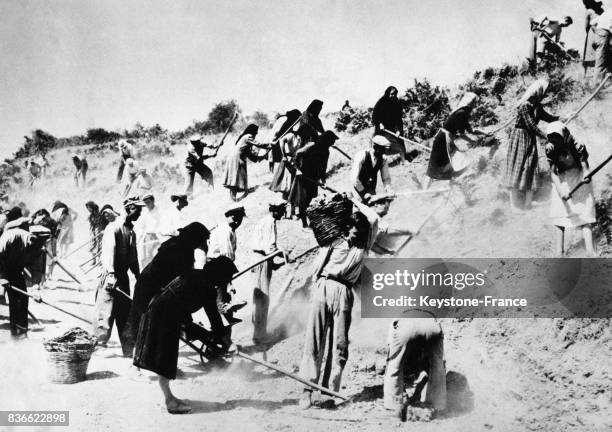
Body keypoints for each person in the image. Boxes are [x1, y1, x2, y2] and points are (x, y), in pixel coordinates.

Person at [298, 204, 384, 409]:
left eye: (361, 232)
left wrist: (355, 201)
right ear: (347, 228)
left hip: (345, 292)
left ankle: (332, 390)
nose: (358, 234)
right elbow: (317, 267)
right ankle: (307, 391)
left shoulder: (363, 248)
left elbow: (373, 220)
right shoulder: (334, 242)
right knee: (314, 339)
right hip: (324, 287)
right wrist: (316, 285)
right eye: (355, 230)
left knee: (340, 342)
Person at [133, 257, 237, 414]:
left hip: (161, 309)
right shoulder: (207, 287)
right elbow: (214, 319)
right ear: (220, 275)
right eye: (227, 278)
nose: (228, 282)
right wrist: (228, 343)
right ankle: (170, 401)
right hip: (163, 315)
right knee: (165, 359)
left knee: (166, 359)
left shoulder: (197, 275)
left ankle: (169, 398)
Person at [128, 222, 210, 346]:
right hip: (149, 289)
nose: (201, 244)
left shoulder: (181, 246)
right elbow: (176, 277)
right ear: (194, 238)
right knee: (149, 323)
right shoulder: (178, 249)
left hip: (155, 286)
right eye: (201, 241)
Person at [93, 197, 144, 355]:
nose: (140, 212)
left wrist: (138, 274)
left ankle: (128, 349)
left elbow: (133, 256)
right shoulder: (113, 228)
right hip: (110, 275)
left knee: (126, 313)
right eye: (138, 209)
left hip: (122, 277)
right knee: (106, 311)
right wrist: (111, 275)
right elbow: (108, 253)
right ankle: (100, 345)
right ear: (129, 209)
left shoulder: (131, 231)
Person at [504, 79, 558, 213]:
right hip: (520, 138)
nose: (544, 94)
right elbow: (531, 125)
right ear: (537, 92)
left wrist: (566, 116)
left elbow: (550, 118)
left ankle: (528, 204)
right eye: (543, 92)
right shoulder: (524, 105)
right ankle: (514, 206)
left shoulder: (537, 107)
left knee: (531, 166)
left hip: (530, 138)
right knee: (517, 167)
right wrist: (546, 137)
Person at [545, 122, 596, 256]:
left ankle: (590, 251)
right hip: (561, 180)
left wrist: (586, 176)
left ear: (564, 135)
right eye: (552, 138)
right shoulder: (550, 148)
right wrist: (561, 191)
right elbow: (553, 173)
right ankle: (559, 252)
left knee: (585, 214)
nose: (555, 141)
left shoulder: (578, 145)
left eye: (558, 137)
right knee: (560, 216)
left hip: (579, 177)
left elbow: (585, 167)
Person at [383, 317, 447, 415]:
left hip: (406, 325)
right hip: (432, 325)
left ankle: (393, 407)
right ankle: (438, 405)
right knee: (437, 365)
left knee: (394, 365)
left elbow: (389, 351)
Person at [425, 92, 486, 187]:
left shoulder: (463, 112)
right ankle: (451, 184)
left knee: (438, 165)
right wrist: (472, 141)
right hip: (444, 139)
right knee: (442, 164)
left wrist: (484, 133)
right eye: (474, 102)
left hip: (443, 138)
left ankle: (451, 184)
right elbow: (462, 134)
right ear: (469, 102)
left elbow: (471, 130)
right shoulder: (462, 113)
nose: (475, 105)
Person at [0, 225, 51, 337]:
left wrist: (36, 289)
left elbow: (37, 270)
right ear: (31, 238)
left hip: (16, 268)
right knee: (12, 298)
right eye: (35, 245)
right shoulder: (11, 237)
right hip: (3, 265)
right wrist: (2, 277)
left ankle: (22, 330)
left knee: (23, 298)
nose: (37, 249)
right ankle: (14, 332)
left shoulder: (38, 248)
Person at [250, 201, 286, 344]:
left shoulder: (263, 221)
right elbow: (270, 248)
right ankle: (259, 334)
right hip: (262, 258)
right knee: (262, 297)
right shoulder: (270, 222)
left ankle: (258, 332)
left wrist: (278, 261)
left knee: (259, 296)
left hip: (260, 258)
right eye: (282, 212)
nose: (282, 216)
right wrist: (284, 254)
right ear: (275, 211)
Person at [288, 130, 337, 227]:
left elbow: (323, 167)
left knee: (309, 198)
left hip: (314, 176)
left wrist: (323, 180)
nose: (332, 143)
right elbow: (297, 153)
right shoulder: (312, 146)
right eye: (331, 141)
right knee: (303, 200)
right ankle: (304, 223)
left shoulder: (326, 151)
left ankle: (305, 218)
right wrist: (297, 169)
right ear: (326, 140)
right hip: (303, 174)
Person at [269, 124, 312, 217]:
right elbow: (281, 141)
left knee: (294, 185)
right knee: (287, 186)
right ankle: (287, 211)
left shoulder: (301, 139)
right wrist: (283, 155)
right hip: (287, 161)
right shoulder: (291, 135)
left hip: (295, 161)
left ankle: (293, 210)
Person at [223, 124, 269, 201]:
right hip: (236, 158)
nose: (257, 133)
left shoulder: (245, 138)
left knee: (238, 176)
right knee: (236, 176)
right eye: (256, 131)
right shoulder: (248, 136)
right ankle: (235, 196)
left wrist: (259, 158)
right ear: (253, 131)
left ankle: (236, 195)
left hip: (236, 157)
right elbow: (259, 144)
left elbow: (249, 154)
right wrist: (269, 145)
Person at [351, 136, 393, 204]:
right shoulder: (361, 156)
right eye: (383, 150)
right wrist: (364, 193)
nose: (384, 152)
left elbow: (386, 178)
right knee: (359, 211)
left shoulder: (383, 159)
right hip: (358, 189)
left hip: (371, 189)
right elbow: (354, 178)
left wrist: (389, 189)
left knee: (375, 209)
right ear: (375, 147)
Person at [372, 86, 406, 161]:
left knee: (400, 141)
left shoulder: (397, 103)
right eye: (391, 94)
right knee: (380, 144)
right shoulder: (381, 102)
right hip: (383, 127)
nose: (393, 96)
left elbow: (398, 118)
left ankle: (403, 159)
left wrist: (398, 130)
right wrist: (379, 123)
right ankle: (377, 160)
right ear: (387, 93)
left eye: (394, 94)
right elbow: (375, 115)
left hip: (394, 126)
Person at [136, 193, 162, 267]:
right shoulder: (144, 213)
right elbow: (141, 227)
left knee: (157, 256)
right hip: (147, 238)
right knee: (146, 258)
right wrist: (139, 239)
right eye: (145, 203)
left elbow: (163, 224)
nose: (147, 204)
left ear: (153, 201)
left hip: (158, 237)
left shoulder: (160, 211)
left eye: (148, 202)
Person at [86, 201, 105, 266]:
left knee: (99, 245)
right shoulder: (90, 215)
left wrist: (101, 230)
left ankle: (100, 261)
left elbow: (101, 222)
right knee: (92, 244)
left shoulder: (98, 214)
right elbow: (91, 224)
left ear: (92, 207)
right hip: (93, 231)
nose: (88, 209)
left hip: (99, 230)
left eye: (89, 207)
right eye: (87, 207)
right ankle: (93, 260)